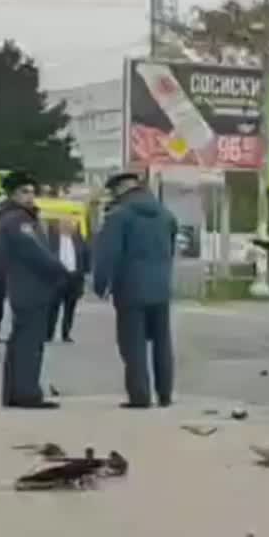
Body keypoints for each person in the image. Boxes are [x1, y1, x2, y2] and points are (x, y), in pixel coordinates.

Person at [92, 171, 177, 409]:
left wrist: (101, 285)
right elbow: (170, 249)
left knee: (133, 343)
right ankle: (165, 394)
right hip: (161, 287)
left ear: (119, 190)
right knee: (162, 341)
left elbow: (108, 254)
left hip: (131, 288)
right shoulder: (165, 215)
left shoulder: (119, 216)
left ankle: (140, 396)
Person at [0, 171, 68, 410]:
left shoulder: (16, 219)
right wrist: (60, 270)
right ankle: (27, 392)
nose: (30, 197)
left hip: (24, 286)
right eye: (24, 192)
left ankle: (15, 391)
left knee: (21, 340)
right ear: (13, 195)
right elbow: (34, 251)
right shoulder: (18, 221)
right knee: (30, 343)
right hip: (30, 287)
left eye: (32, 192)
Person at [47, 216, 90, 343]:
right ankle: (49, 333)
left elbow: (86, 255)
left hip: (74, 277)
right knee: (53, 307)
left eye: (70, 223)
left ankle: (66, 333)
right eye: (64, 223)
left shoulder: (78, 239)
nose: (68, 226)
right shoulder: (52, 240)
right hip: (57, 277)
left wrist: (84, 273)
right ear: (58, 226)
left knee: (70, 308)